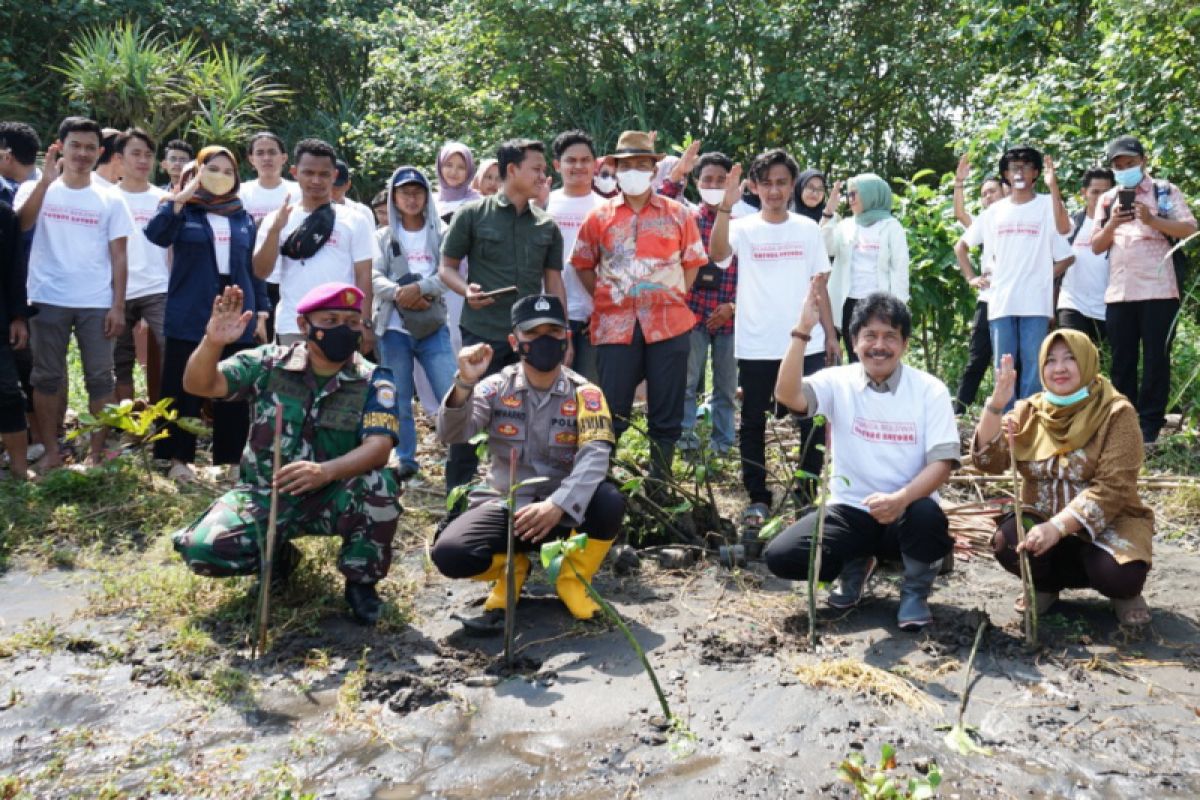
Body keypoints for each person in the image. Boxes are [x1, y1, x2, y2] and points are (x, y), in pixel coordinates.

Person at [172, 282, 401, 625]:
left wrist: (326, 472)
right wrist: (213, 342)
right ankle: (277, 557)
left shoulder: (374, 381)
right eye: (331, 319)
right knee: (203, 551)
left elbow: (379, 448)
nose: (344, 329)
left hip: (333, 494)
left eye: (353, 323)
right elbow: (199, 385)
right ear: (305, 326)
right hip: (265, 494)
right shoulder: (267, 364)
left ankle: (361, 584)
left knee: (380, 483)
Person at [767, 291, 959, 631]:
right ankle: (854, 563)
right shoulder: (837, 381)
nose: (879, 346)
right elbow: (786, 395)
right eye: (870, 335)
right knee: (782, 556)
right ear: (854, 341)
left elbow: (942, 463)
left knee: (927, 515)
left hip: (907, 512)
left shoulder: (930, 390)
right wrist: (801, 331)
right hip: (851, 511)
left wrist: (901, 499)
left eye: (890, 337)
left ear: (904, 343)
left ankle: (915, 590)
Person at [432, 294, 623, 628]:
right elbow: (452, 433)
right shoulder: (493, 388)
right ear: (514, 341)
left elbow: (596, 457)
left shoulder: (587, 394)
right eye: (533, 333)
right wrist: (464, 381)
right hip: (510, 509)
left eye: (553, 331)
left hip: (566, 516)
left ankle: (571, 579)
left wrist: (557, 505)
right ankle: (512, 570)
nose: (544, 340)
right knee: (450, 553)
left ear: (566, 337)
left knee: (609, 501)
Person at [971, 331, 1153, 626]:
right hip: (1043, 526)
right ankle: (1044, 586)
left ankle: (1124, 595)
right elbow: (987, 462)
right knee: (1007, 541)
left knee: (1119, 574)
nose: (1059, 368)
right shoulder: (1029, 411)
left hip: (1107, 527)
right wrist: (996, 404)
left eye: (1070, 358)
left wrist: (1058, 527)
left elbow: (1113, 489)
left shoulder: (1117, 413)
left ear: (1088, 361)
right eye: (1051, 360)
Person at [571, 130, 708, 484]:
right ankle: (602, 484)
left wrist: (666, 296)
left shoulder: (678, 214)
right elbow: (584, 266)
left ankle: (660, 484)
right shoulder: (598, 217)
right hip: (614, 327)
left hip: (670, 325)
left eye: (642, 164)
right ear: (615, 170)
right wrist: (614, 297)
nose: (634, 171)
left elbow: (692, 263)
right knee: (612, 411)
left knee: (666, 413)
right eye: (627, 165)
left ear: (653, 169)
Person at [709, 149, 838, 517]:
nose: (775, 190)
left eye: (782, 182)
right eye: (766, 183)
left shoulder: (807, 228)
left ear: (792, 186)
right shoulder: (743, 227)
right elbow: (717, 253)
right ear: (754, 187)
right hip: (756, 343)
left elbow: (819, 286)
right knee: (752, 420)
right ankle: (758, 496)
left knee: (810, 420)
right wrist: (724, 207)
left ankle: (806, 492)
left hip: (806, 341)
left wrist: (830, 334)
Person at [437, 138, 567, 501]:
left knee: (531, 419)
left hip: (530, 340)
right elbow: (446, 269)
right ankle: (458, 500)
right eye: (537, 169)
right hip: (483, 333)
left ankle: (525, 496)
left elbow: (553, 282)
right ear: (512, 171)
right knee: (468, 417)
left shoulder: (546, 226)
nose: (544, 176)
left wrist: (562, 334)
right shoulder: (472, 215)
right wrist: (467, 291)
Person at [144, 146, 267, 482]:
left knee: (233, 384)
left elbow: (253, 269)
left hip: (236, 307)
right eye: (213, 168)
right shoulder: (182, 211)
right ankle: (176, 457)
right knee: (182, 386)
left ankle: (230, 460)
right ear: (197, 171)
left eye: (229, 171)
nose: (221, 177)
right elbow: (155, 235)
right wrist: (181, 196)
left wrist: (261, 313)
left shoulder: (242, 217)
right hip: (191, 308)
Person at [19, 117, 131, 469]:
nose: (82, 154)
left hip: (96, 302)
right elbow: (21, 224)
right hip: (46, 297)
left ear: (99, 153)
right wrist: (45, 183)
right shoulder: (35, 187)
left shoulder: (110, 198)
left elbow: (119, 254)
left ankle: (97, 455)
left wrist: (117, 306)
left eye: (89, 148)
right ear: (60, 148)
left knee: (101, 378)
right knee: (46, 377)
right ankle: (52, 451)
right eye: (75, 146)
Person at [1091, 135, 1197, 443]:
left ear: (1143, 161)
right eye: (1118, 165)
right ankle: (1124, 423)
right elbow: (1096, 246)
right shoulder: (1108, 199)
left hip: (1159, 290)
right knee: (1122, 360)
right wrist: (1111, 223)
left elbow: (1190, 230)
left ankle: (1150, 426)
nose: (1125, 169)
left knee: (1156, 359)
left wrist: (1153, 219)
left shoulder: (1165, 191)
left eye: (1130, 163)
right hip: (1120, 292)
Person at [955, 145, 1074, 407]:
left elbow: (1065, 231)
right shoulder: (994, 212)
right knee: (1004, 367)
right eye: (1013, 168)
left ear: (1035, 173)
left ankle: (1030, 419)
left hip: (1035, 301)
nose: (1019, 172)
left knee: (1034, 363)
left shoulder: (1046, 205)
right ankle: (1005, 425)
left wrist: (1053, 187)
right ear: (1006, 176)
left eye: (1025, 166)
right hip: (1001, 301)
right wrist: (971, 278)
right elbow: (961, 246)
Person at [371, 165, 455, 481]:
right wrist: (401, 294)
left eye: (417, 191)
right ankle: (405, 458)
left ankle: (460, 454)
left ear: (426, 195)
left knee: (450, 392)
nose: (411, 198)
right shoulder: (382, 236)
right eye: (404, 192)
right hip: (393, 329)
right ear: (394, 196)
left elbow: (448, 273)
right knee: (400, 396)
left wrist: (420, 289)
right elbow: (374, 276)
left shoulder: (442, 233)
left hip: (433, 326)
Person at [253, 139, 376, 350]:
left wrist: (364, 323)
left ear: (334, 175)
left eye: (324, 174)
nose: (316, 180)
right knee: (291, 383)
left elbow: (363, 275)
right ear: (294, 172)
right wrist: (274, 231)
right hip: (293, 325)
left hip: (342, 324)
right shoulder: (277, 219)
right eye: (309, 173)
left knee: (342, 384)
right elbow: (261, 272)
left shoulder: (355, 220)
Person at [658, 148, 739, 458]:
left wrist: (733, 306)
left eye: (722, 179)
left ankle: (723, 445)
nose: (715, 184)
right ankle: (687, 443)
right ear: (697, 182)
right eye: (708, 179)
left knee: (726, 387)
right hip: (691, 315)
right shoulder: (685, 216)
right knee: (688, 383)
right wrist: (678, 171)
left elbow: (754, 273)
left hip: (730, 317)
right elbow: (662, 200)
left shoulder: (743, 220)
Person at [823, 174, 910, 361]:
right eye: (848, 195)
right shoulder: (845, 225)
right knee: (855, 357)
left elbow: (900, 270)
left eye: (854, 194)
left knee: (877, 357)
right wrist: (829, 213)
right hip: (849, 302)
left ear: (871, 195)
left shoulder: (892, 227)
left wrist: (898, 310)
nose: (850, 200)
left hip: (881, 304)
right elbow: (825, 246)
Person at [112, 128, 169, 403]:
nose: (143, 160)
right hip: (114, 290)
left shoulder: (163, 199)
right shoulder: (107, 197)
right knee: (118, 359)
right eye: (135, 153)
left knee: (171, 348)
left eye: (148, 154)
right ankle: (126, 423)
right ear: (119, 159)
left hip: (157, 288)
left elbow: (171, 248)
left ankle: (167, 417)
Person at [951, 157, 1007, 414]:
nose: (987, 198)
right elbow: (960, 215)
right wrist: (959, 182)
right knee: (977, 358)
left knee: (1010, 360)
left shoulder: (1023, 214)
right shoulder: (986, 220)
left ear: (1006, 190)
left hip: (1018, 299)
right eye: (983, 195)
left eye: (992, 191)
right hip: (989, 298)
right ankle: (959, 411)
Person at [546, 129, 602, 380]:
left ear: (595, 164)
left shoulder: (607, 207)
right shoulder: (545, 205)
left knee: (589, 390)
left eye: (585, 160)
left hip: (594, 314)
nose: (578, 166)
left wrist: (602, 308)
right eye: (570, 160)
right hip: (549, 312)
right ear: (557, 165)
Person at [241, 132, 300, 340]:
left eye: (272, 152)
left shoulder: (298, 191)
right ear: (251, 159)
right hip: (252, 277)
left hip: (290, 277)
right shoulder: (241, 193)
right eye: (260, 153)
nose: (266, 158)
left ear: (284, 158)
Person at [1057, 167, 1114, 345]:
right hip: (1072, 303)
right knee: (1074, 355)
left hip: (1107, 308)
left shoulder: (1120, 226)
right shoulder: (1072, 225)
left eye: (1106, 192)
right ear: (1084, 193)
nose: (1100, 197)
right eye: (1095, 192)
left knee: (1098, 364)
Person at [0, 199, 29, 480]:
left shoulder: (5, 215)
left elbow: (14, 271)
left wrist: (19, 317)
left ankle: (20, 469)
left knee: (8, 392)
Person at [434, 141, 481, 223]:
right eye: (449, 165)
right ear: (440, 166)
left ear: (469, 171)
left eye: (461, 167)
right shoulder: (429, 201)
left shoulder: (477, 204)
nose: (454, 172)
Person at [332, 159, 376, 229]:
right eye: (326, 188)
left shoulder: (362, 212)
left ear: (348, 185)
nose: (330, 192)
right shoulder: (310, 211)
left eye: (336, 188)